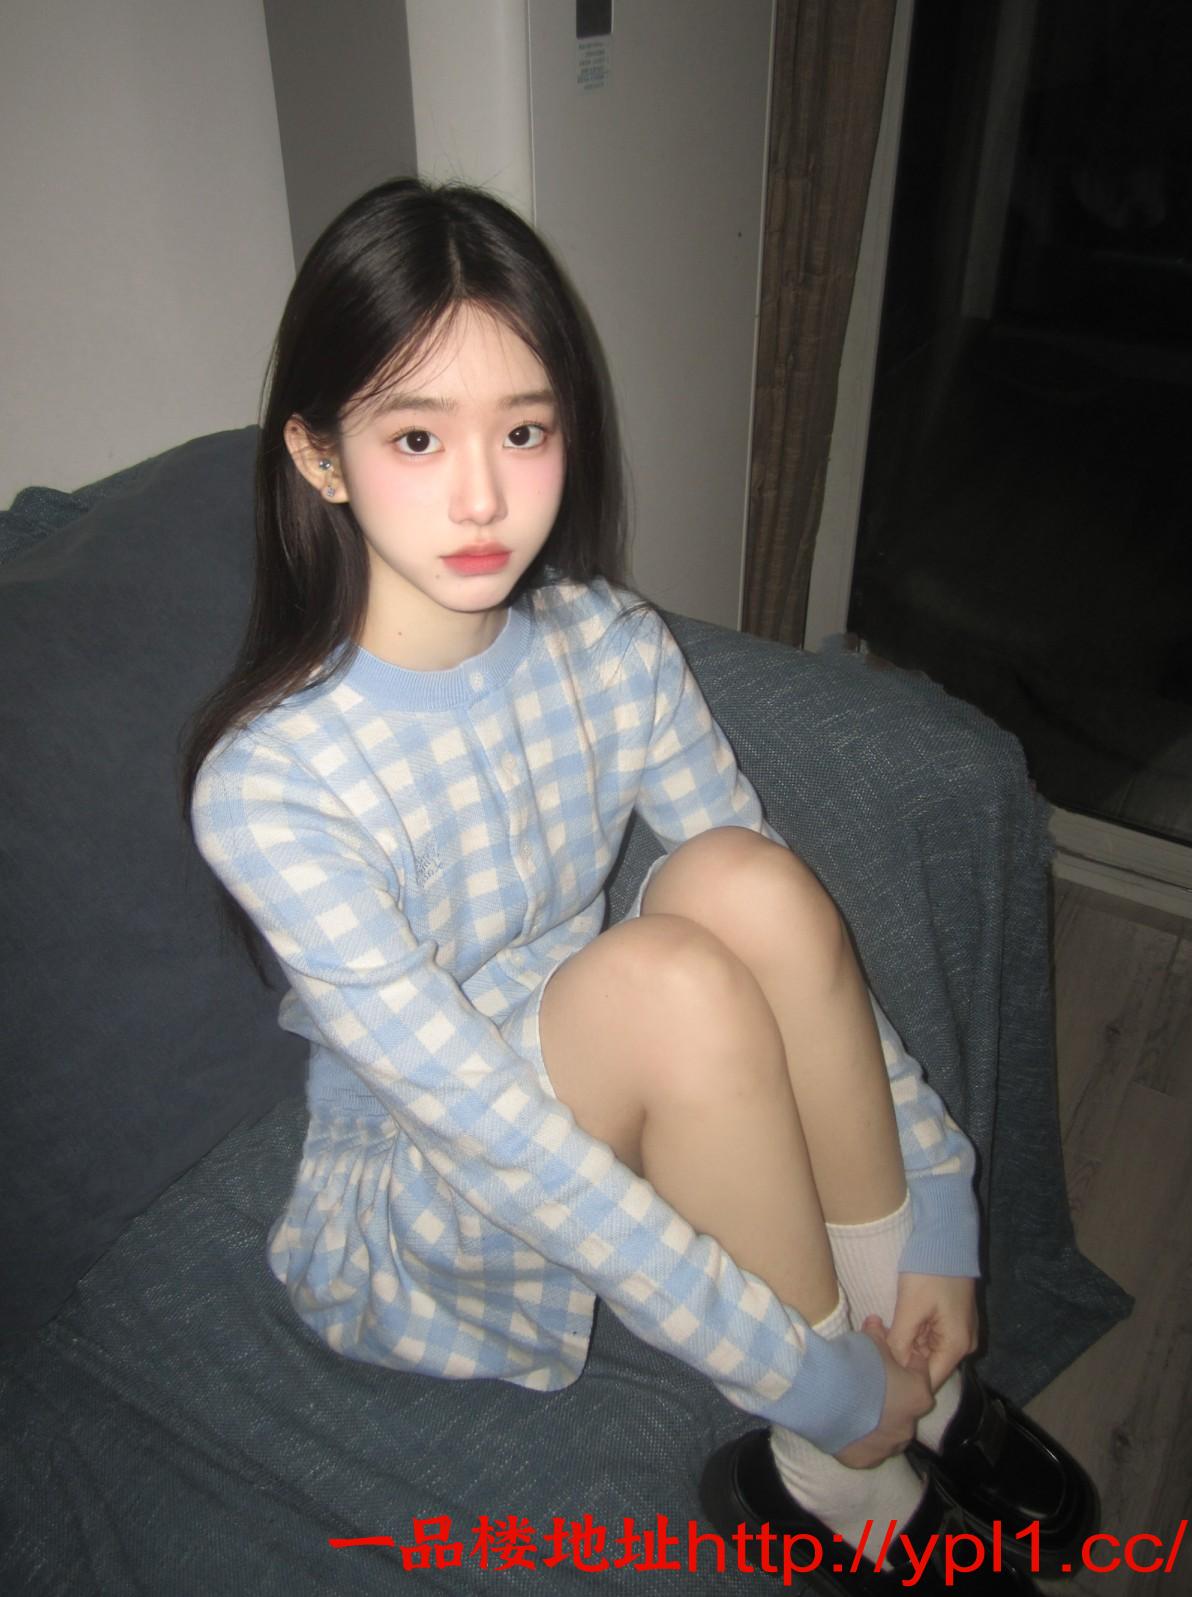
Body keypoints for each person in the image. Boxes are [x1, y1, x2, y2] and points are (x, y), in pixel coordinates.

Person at [182, 177, 1093, 1592]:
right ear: (319, 455)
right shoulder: (272, 787)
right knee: (670, 978)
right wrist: (802, 1381)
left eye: (524, 430)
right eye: (415, 436)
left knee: (743, 880)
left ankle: (913, 1364)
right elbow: (498, 1141)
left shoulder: (606, 645)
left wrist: (937, 1204)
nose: (483, 497)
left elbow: (782, 920)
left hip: (591, 1032)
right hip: (429, 1183)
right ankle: (836, 1464)